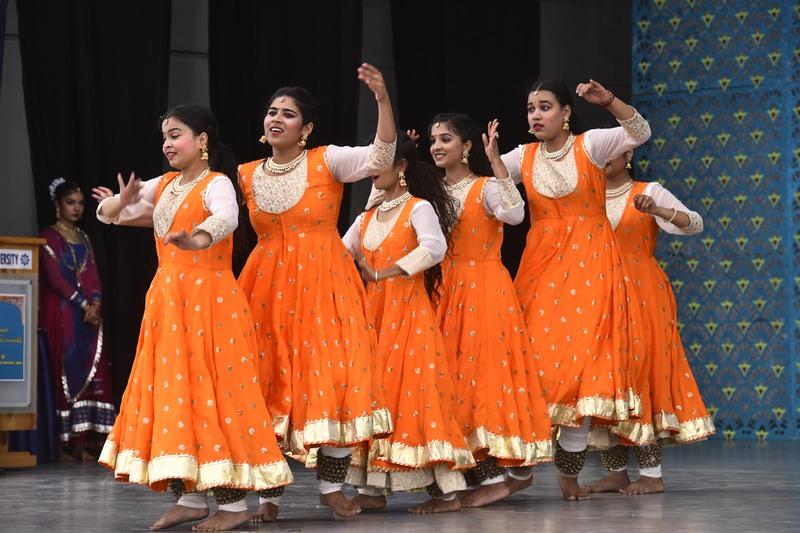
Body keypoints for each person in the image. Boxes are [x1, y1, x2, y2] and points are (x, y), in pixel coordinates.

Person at [93, 105, 292, 531]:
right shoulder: (166, 184)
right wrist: (121, 201)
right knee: (176, 393)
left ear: (202, 141)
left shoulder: (216, 182)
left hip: (210, 301)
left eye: (176, 135)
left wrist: (199, 238)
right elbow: (107, 214)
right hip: (168, 301)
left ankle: (233, 506)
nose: (167, 144)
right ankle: (189, 497)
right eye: (164, 136)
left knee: (216, 394)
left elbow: (227, 218)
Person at [236, 63, 395, 521]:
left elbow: (380, 157)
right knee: (266, 384)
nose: (277, 119)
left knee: (336, 379)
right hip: (265, 288)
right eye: (272, 112)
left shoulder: (328, 160)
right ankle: (268, 495)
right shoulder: (246, 173)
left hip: (326, 285)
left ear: (305, 129)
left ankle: (331, 488)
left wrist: (382, 99)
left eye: (288, 114)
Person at [500, 78, 653, 500]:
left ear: (566, 113)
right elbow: (479, 182)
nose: (536, 115)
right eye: (530, 108)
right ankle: (521, 467)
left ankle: (568, 475)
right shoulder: (521, 157)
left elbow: (640, 132)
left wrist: (610, 102)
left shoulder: (592, 146)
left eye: (545, 106)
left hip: (591, 266)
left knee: (582, 369)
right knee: (536, 365)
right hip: (541, 270)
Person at [343, 131, 473, 514]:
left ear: (400, 166)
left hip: (408, 315)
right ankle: (373, 488)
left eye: (380, 161)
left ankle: (447, 492)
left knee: (416, 395)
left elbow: (434, 248)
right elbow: (339, 253)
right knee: (378, 396)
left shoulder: (418, 208)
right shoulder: (366, 217)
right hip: (372, 317)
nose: (372, 168)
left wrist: (384, 273)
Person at [428, 114, 553, 507]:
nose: (437, 146)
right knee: (450, 379)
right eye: (433, 140)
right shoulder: (429, 192)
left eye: (446, 139)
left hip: (483, 288)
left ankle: (503, 475)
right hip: (442, 290)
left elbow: (515, 215)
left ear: (467, 147)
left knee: (482, 378)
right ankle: (473, 472)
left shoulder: (485, 187)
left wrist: (497, 161)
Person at [582, 151, 715, 495]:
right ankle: (616, 472)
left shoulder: (648, 190)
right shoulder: (587, 196)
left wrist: (657, 210)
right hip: (600, 292)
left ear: (627, 154)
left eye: (609, 149)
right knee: (604, 378)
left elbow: (695, 223)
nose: (601, 158)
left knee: (641, 373)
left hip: (642, 292)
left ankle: (652, 474)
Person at [40, 178, 115, 463]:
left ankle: (91, 442)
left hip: (88, 318)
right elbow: (56, 279)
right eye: (70, 202)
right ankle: (67, 444)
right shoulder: (48, 237)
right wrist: (84, 304)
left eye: (81, 203)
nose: (77, 208)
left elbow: (93, 273)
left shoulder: (83, 237)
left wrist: (96, 304)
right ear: (58, 205)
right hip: (64, 314)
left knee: (94, 374)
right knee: (67, 373)